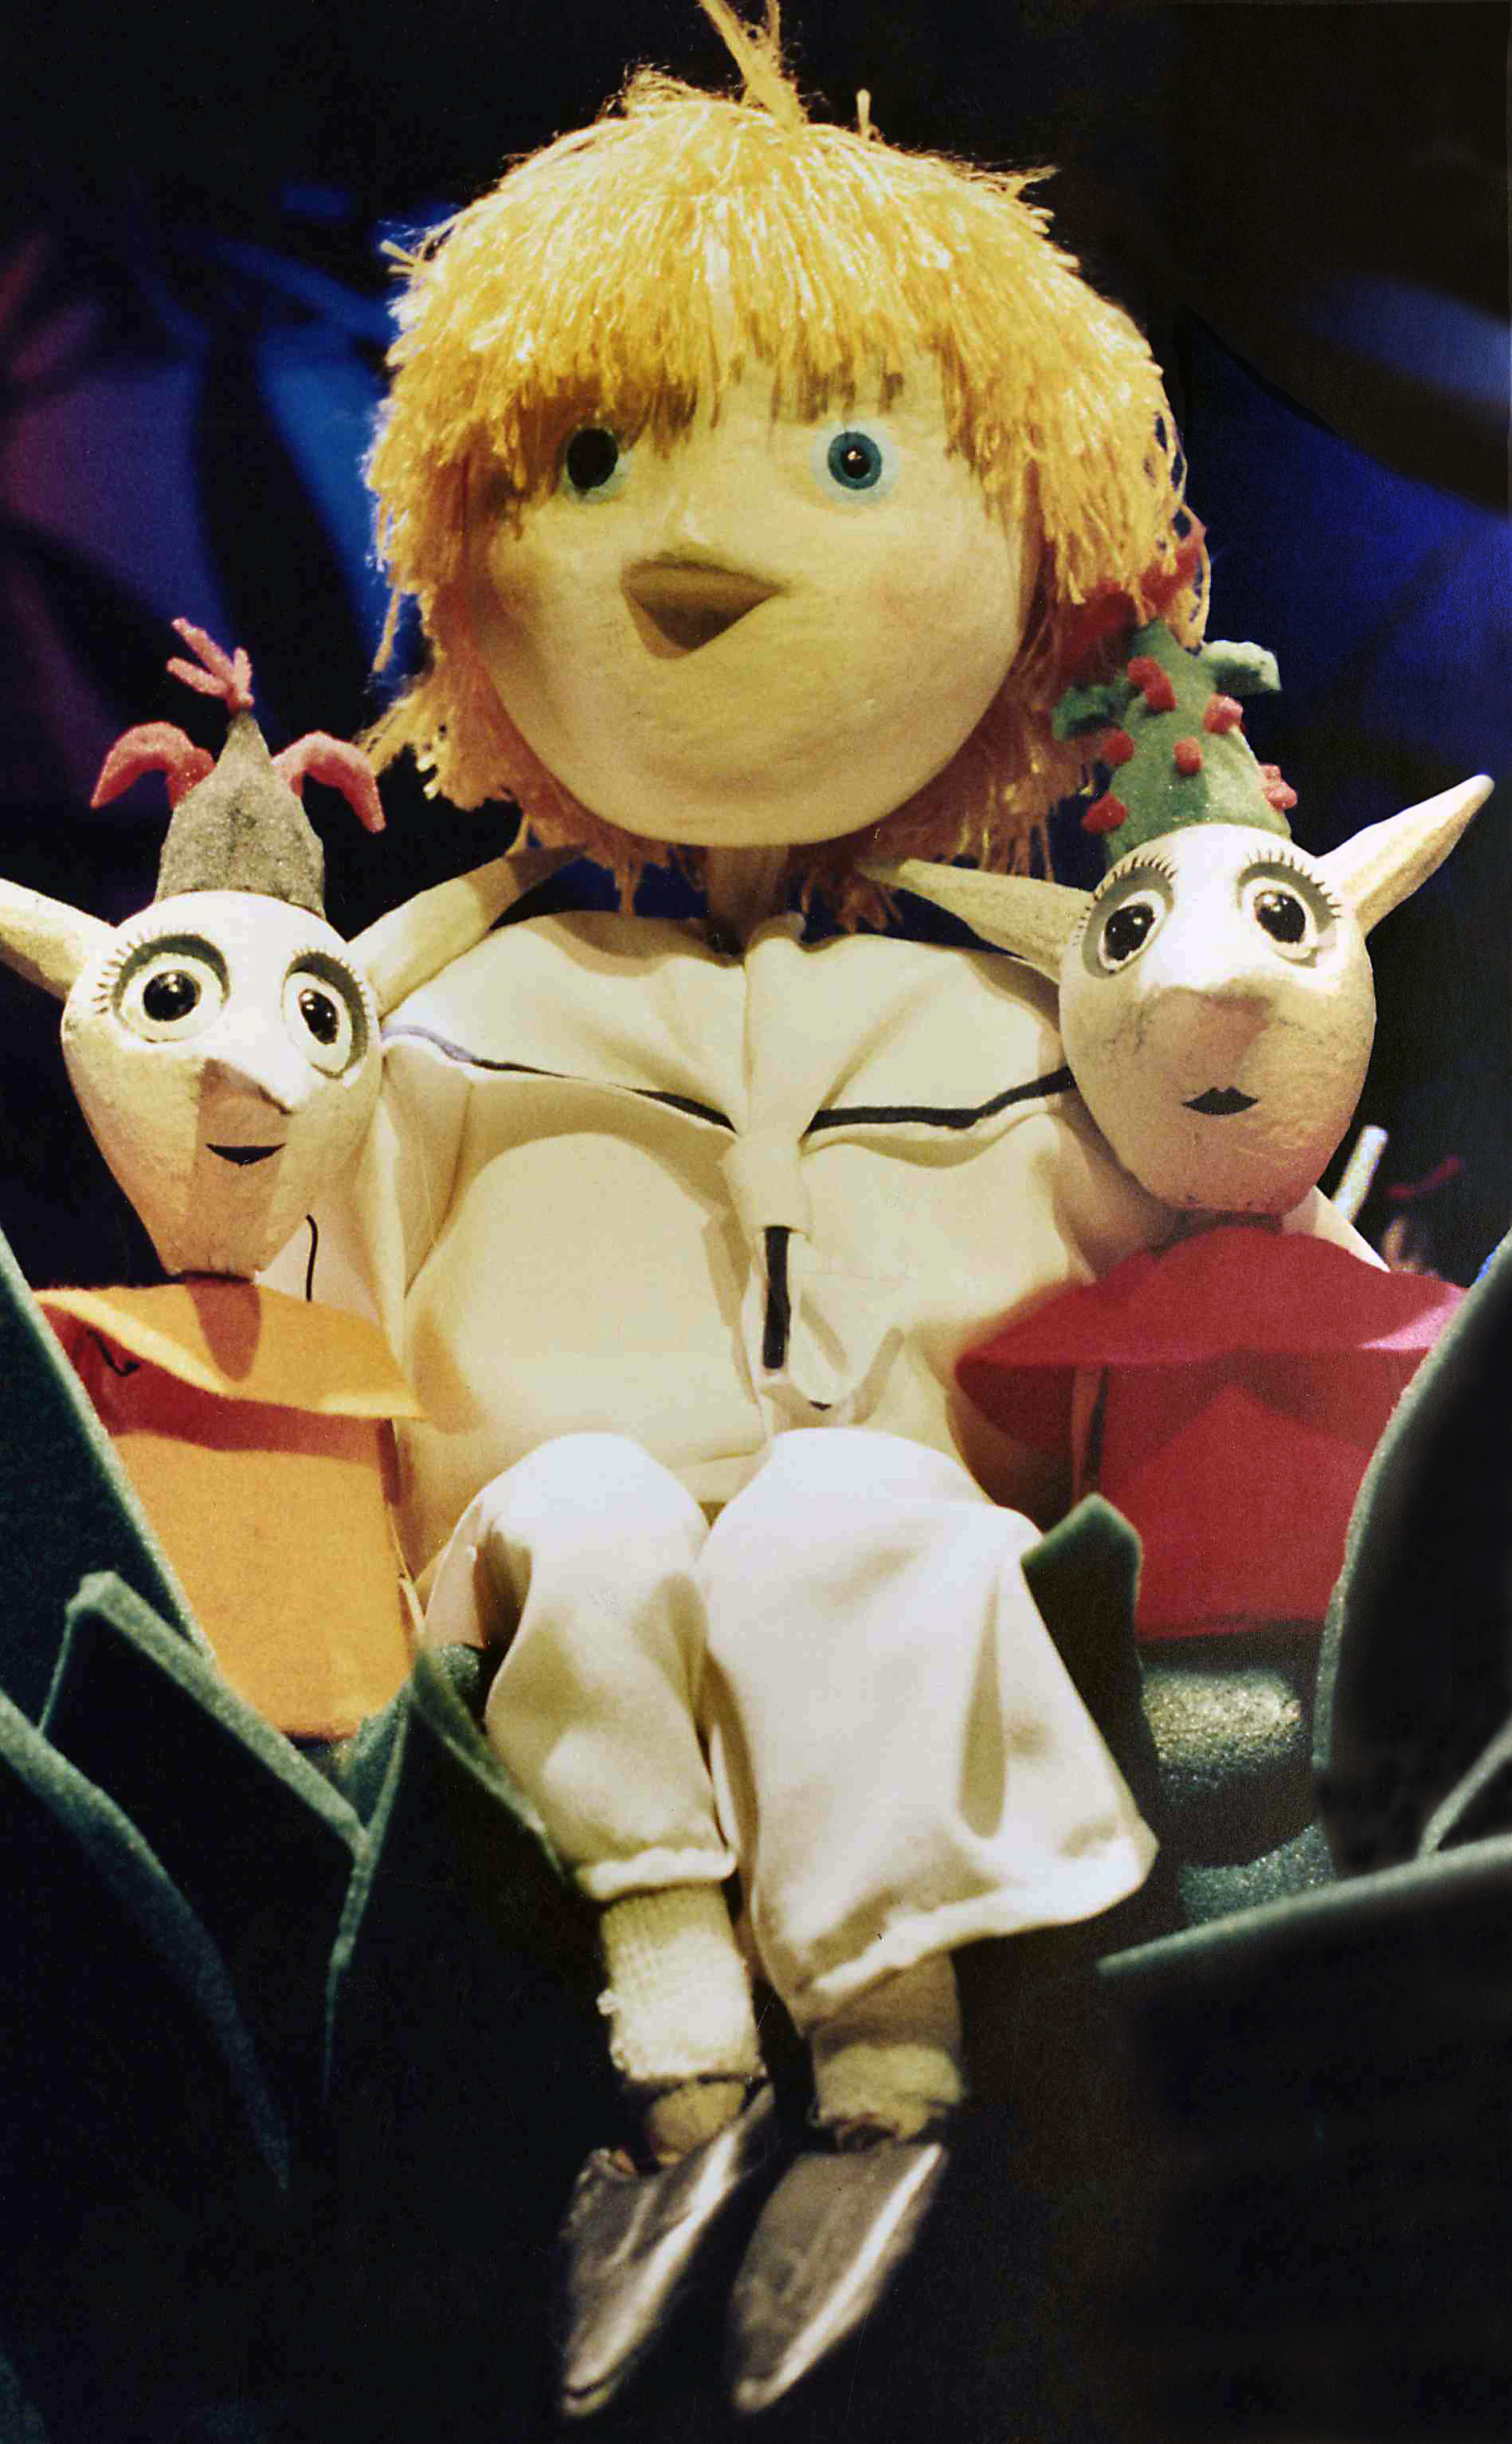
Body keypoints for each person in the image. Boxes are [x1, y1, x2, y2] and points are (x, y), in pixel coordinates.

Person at [276, 2, 1369, 2411]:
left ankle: (877, 2066)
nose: (687, 550)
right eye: (587, 460)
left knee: (852, 1511)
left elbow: (1223, 1271)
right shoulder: (458, 1014)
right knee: (584, 1509)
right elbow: (305, 1302)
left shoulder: (1028, 1026)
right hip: (524, 1669)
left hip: (933, 1612)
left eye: (854, 460)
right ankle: (675, 2046)